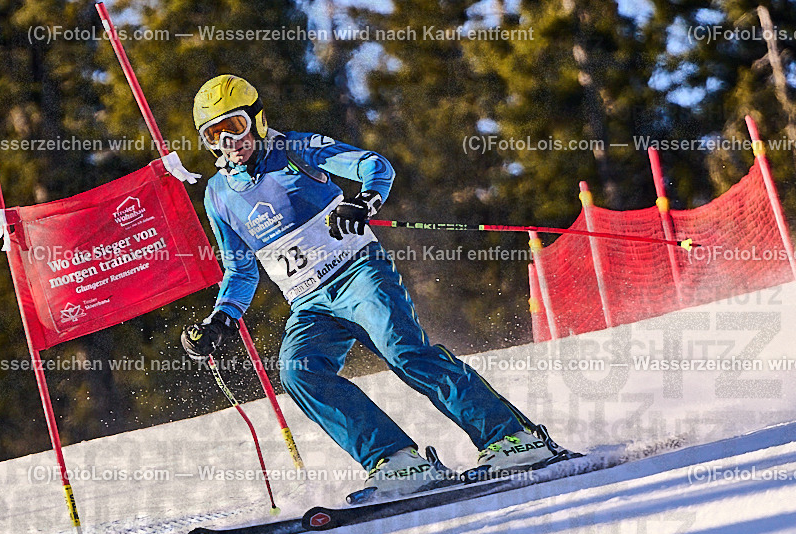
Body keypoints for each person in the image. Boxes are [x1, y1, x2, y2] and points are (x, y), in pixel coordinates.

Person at [181, 74, 574, 500]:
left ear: (256, 120)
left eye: (234, 127)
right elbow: (240, 271)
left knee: (403, 352)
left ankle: (512, 438)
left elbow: (373, 165)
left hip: (359, 273)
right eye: (213, 135)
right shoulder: (219, 195)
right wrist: (221, 320)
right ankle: (396, 461)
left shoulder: (294, 149)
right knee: (299, 371)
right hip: (310, 303)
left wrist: (363, 200)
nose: (228, 143)